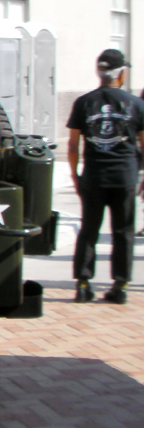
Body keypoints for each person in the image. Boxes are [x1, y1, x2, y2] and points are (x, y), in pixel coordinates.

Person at [66, 49, 144, 304]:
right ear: (121, 73)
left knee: (89, 229)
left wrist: (76, 175)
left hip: (94, 175)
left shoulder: (84, 102)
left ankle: (83, 282)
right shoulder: (135, 103)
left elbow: (73, 143)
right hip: (124, 176)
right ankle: (120, 284)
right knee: (123, 231)